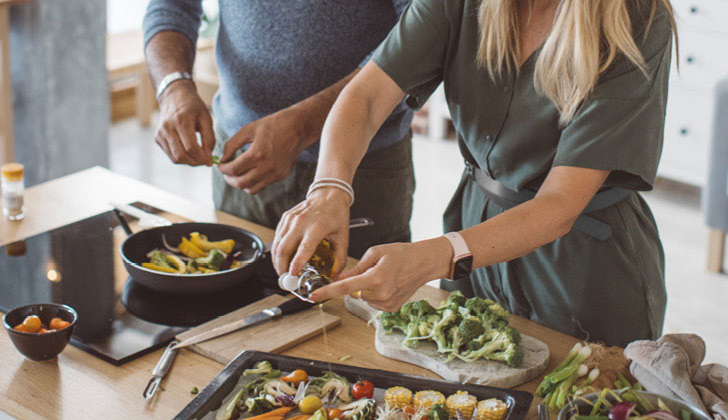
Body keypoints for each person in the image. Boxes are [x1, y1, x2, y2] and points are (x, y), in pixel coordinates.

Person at [274, 0, 677, 346]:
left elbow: (560, 204)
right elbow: (366, 95)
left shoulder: (636, 20)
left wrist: (432, 257)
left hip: (584, 264)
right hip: (472, 229)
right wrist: (329, 190)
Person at [142, 0, 416, 257]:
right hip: (240, 162)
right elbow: (171, 5)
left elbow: (421, 38)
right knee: (235, 297)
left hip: (362, 167)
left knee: (360, 304)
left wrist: (303, 126)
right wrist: (172, 87)